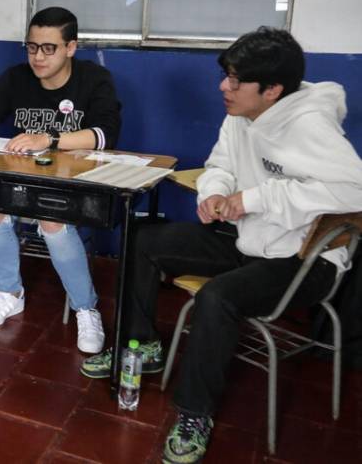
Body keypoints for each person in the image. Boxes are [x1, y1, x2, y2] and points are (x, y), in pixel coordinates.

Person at [79, 27, 362, 463]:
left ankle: (194, 414)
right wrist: (213, 192)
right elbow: (221, 165)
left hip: (305, 258)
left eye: (234, 80)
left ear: (272, 91)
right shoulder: (240, 115)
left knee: (218, 297)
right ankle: (143, 348)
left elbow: (355, 190)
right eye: (226, 75)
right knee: (144, 239)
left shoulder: (310, 124)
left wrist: (252, 199)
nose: (223, 87)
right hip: (250, 238)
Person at [0, 6, 122, 354]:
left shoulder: (93, 79)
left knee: (50, 218)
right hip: (25, 179)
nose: (38, 57)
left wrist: (50, 138)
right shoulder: (16, 78)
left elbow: (106, 135)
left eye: (49, 48)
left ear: (71, 48)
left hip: (71, 182)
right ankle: (9, 292)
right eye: (32, 47)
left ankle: (85, 308)